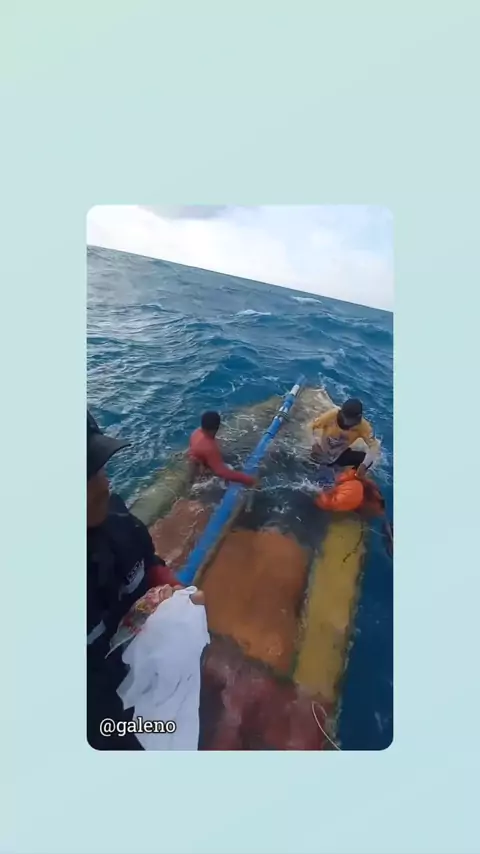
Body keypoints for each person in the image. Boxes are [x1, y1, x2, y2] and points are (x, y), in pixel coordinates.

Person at [87, 410, 203, 750]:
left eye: (98, 469)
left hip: (135, 660)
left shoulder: (116, 520)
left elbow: (148, 563)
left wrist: (175, 591)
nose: (104, 485)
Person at [310, 398, 381, 478]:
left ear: (359, 417)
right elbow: (313, 426)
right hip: (320, 453)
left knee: (367, 460)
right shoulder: (332, 415)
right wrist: (314, 443)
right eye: (345, 418)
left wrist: (364, 465)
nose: (346, 422)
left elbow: (374, 446)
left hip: (338, 457)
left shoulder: (363, 426)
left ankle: (352, 477)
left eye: (350, 420)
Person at [188, 411, 258, 487]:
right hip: (200, 469)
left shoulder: (196, 433)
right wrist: (250, 481)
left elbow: (194, 452)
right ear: (217, 427)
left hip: (196, 461)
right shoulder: (209, 447)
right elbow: (223, 473)